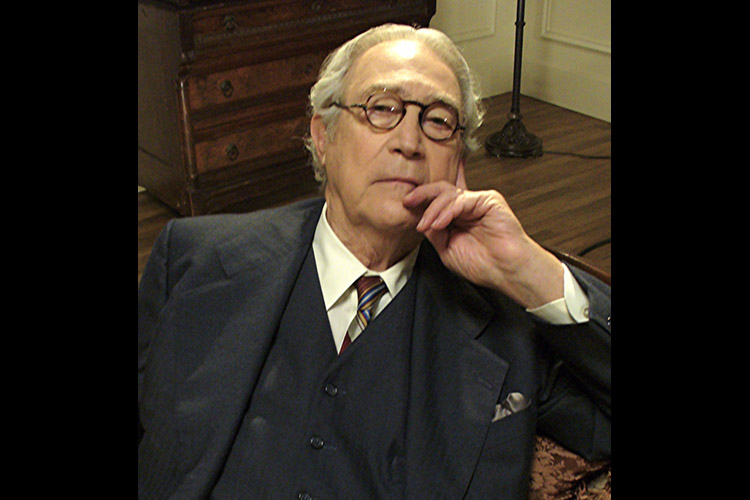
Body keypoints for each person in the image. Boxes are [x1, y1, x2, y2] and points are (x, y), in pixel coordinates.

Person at [138, 23, 610, 500]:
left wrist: (531, 270)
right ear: (324, 137)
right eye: (382, 108)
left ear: (458, 160)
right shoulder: (194, 259)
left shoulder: (508, 325)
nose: (410, 141)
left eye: (438, 121)